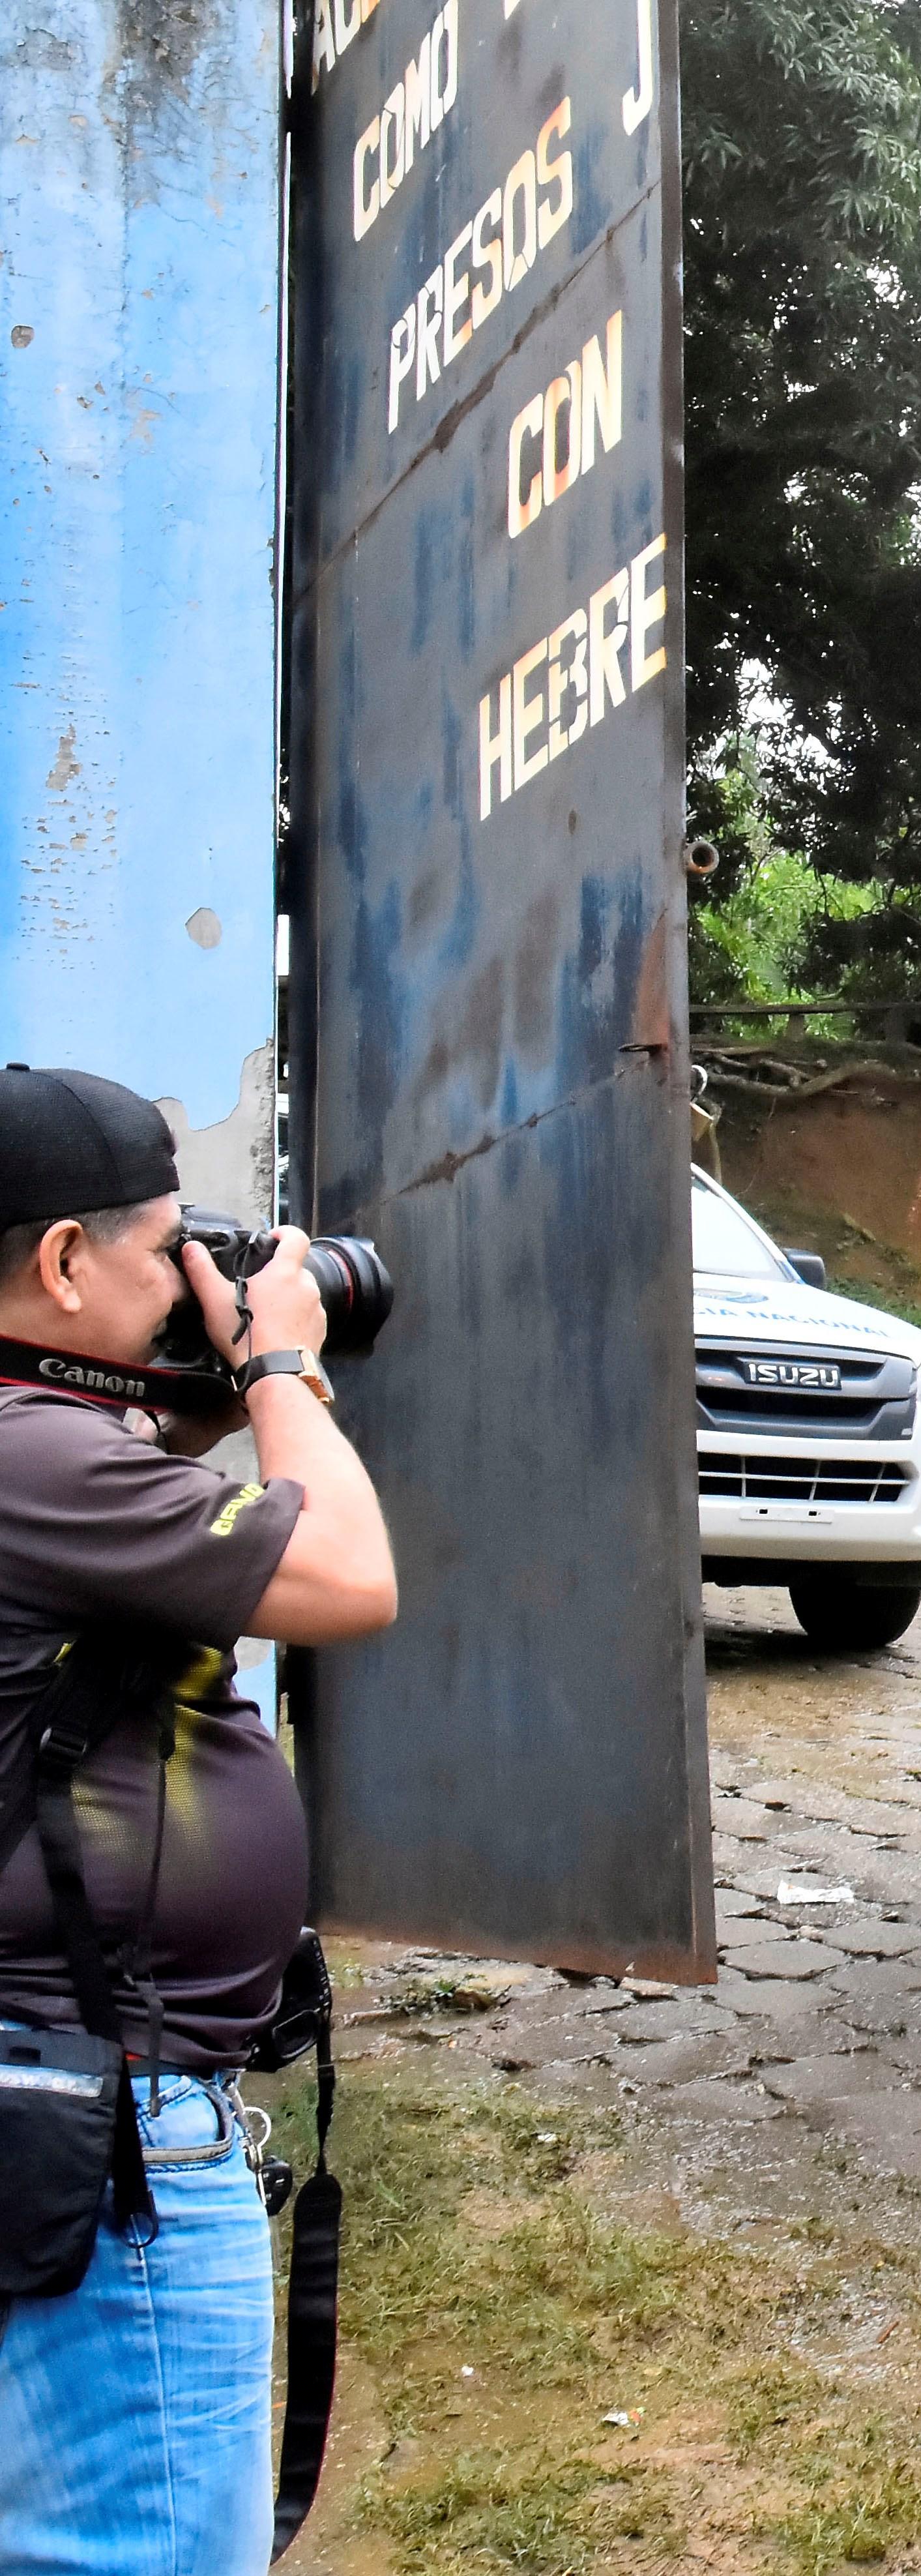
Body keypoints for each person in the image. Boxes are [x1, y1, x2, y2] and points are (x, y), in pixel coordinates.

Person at [0, 1068, 398, 2571]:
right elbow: (348, 1575)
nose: (192, 1280)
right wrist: (279, 1362)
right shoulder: (36, 1458)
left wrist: (193, 1396)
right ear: (62, 1261)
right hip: (107, 2142)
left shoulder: (38, 1451)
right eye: (169, 1246)